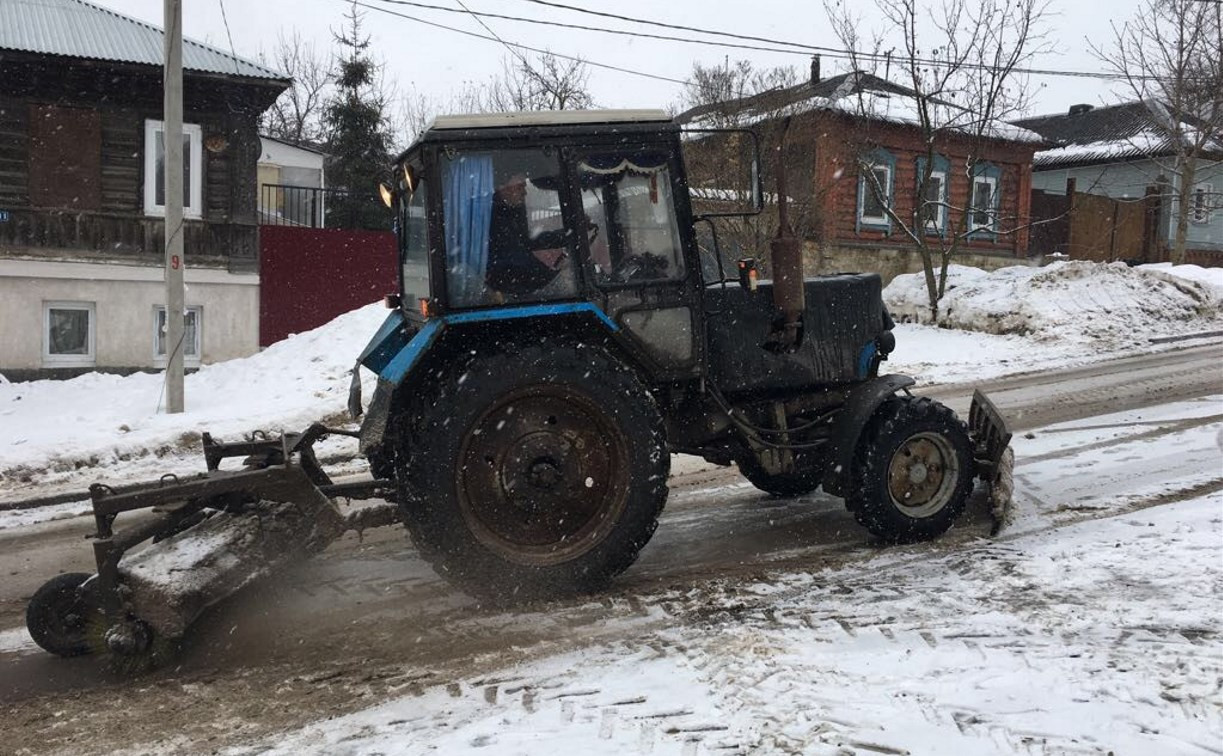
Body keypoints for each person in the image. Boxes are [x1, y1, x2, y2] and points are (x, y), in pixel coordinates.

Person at [485, 173, 571, 297]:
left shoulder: (510, 212)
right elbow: (515, 258)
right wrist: (552, 275)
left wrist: (568, 235)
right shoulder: (493, 218)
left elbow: (528, 241)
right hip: (508, 290)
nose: (525, 193)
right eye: (520, 187)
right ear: (501, 187)